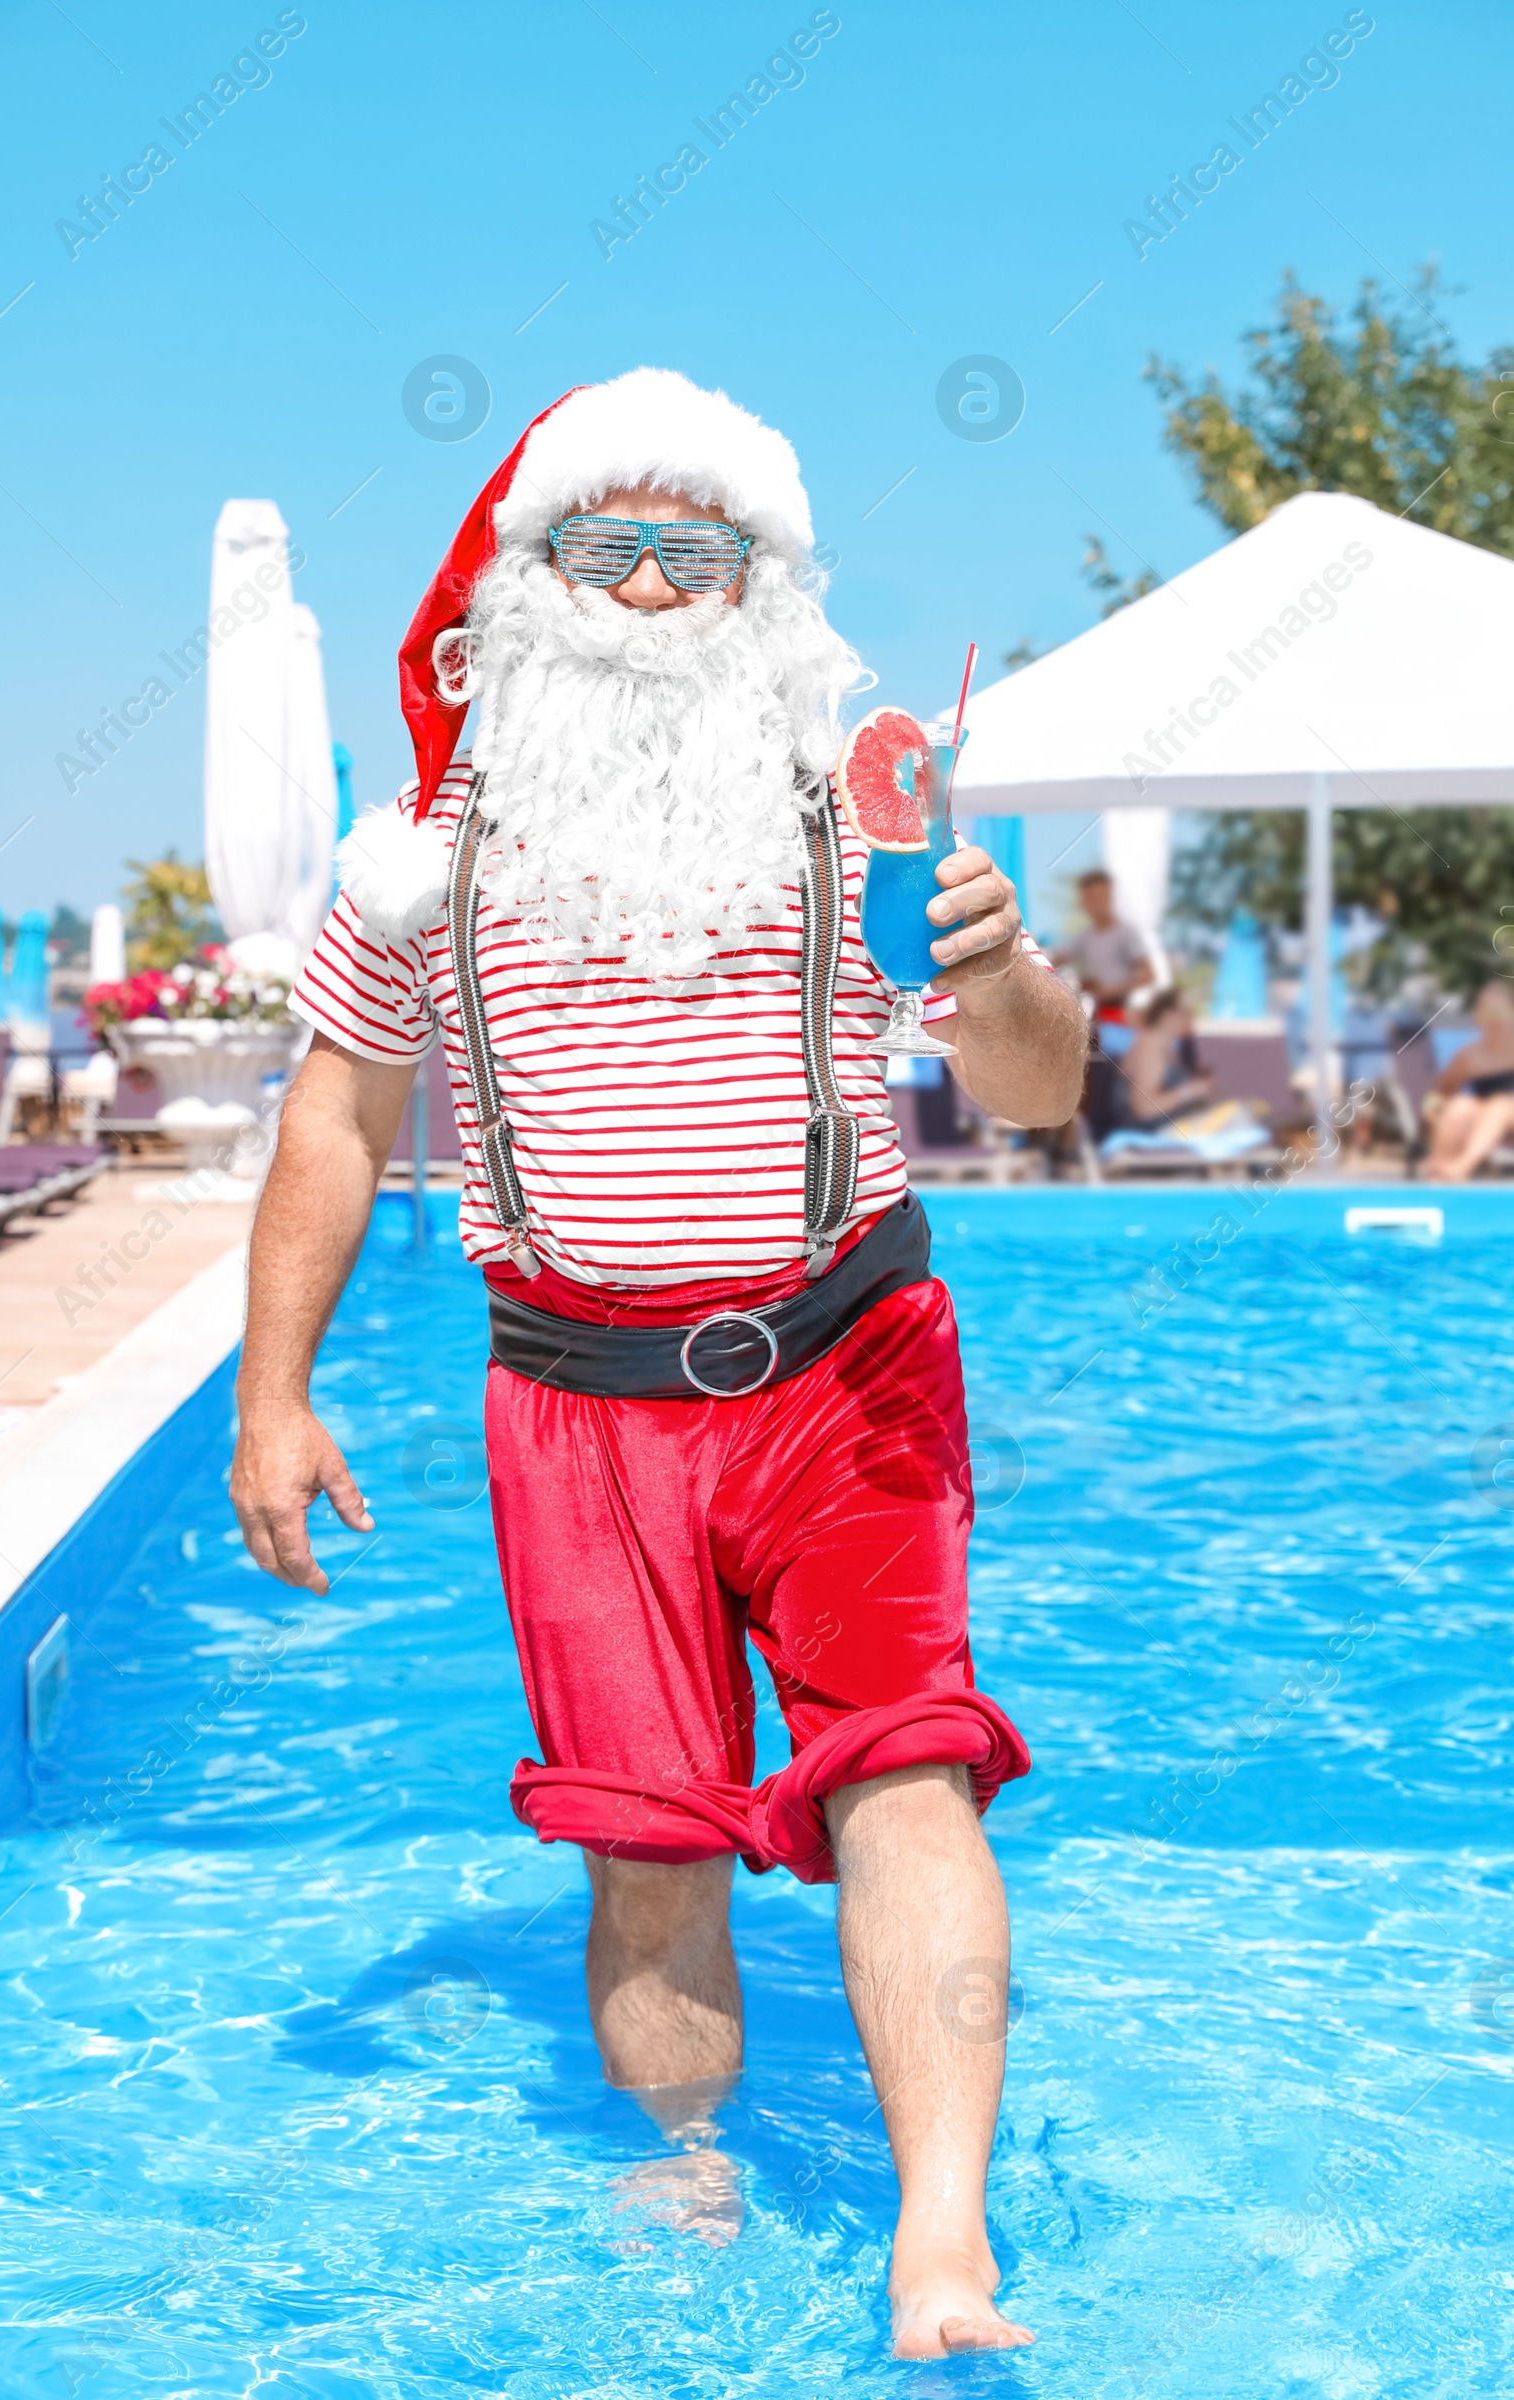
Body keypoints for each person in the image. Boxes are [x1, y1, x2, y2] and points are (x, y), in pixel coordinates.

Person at [229, 369, 1085, 2357]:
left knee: (908, 1774)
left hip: (845, 1359)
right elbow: (334, 1131)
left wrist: (998, 969)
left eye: (689, 555)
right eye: (596, 550)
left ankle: (937, 2238)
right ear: (520, 589)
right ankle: (688, 2153)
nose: (640, 591)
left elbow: (1033, 1098)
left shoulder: (855, 825)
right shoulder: (415, 868)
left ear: (756, 585)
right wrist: (275, 1389)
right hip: (572, 1404)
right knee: (644, 1829)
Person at [1423, 981, 1514, 1181]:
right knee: (1460, 1106)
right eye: (1489, 1014)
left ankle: (1463, 1164)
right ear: (1479, 1017)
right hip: (1486, 1115)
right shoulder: (1470, 1056)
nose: (1495, 1021)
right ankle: (1440, 1170)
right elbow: (1441, 1090)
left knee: (1500, 1104)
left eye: (1501, 1014)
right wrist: (1431, 1108)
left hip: (1507, 1110)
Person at [1052, 869, 1157, 1023]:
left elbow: (1148, 975)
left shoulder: (1126, 933)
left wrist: (1111, 990)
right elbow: (1057, 960)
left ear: (1110, 898)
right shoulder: (1085, 936)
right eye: (1090, 899)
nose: (1095, 904)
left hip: (1123, 1011)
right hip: (1096, 1009)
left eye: (1099, 898)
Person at [1120, 989, 1214, 1131]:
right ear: (1167, 1016)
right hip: (1148, 1132)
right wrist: (1190, 1091)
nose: (1190, 1018)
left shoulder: (1164, 1045)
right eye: (1185, 1013)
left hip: (1168, 1127)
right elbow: (1143, 1108)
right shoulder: (1151, 1047)